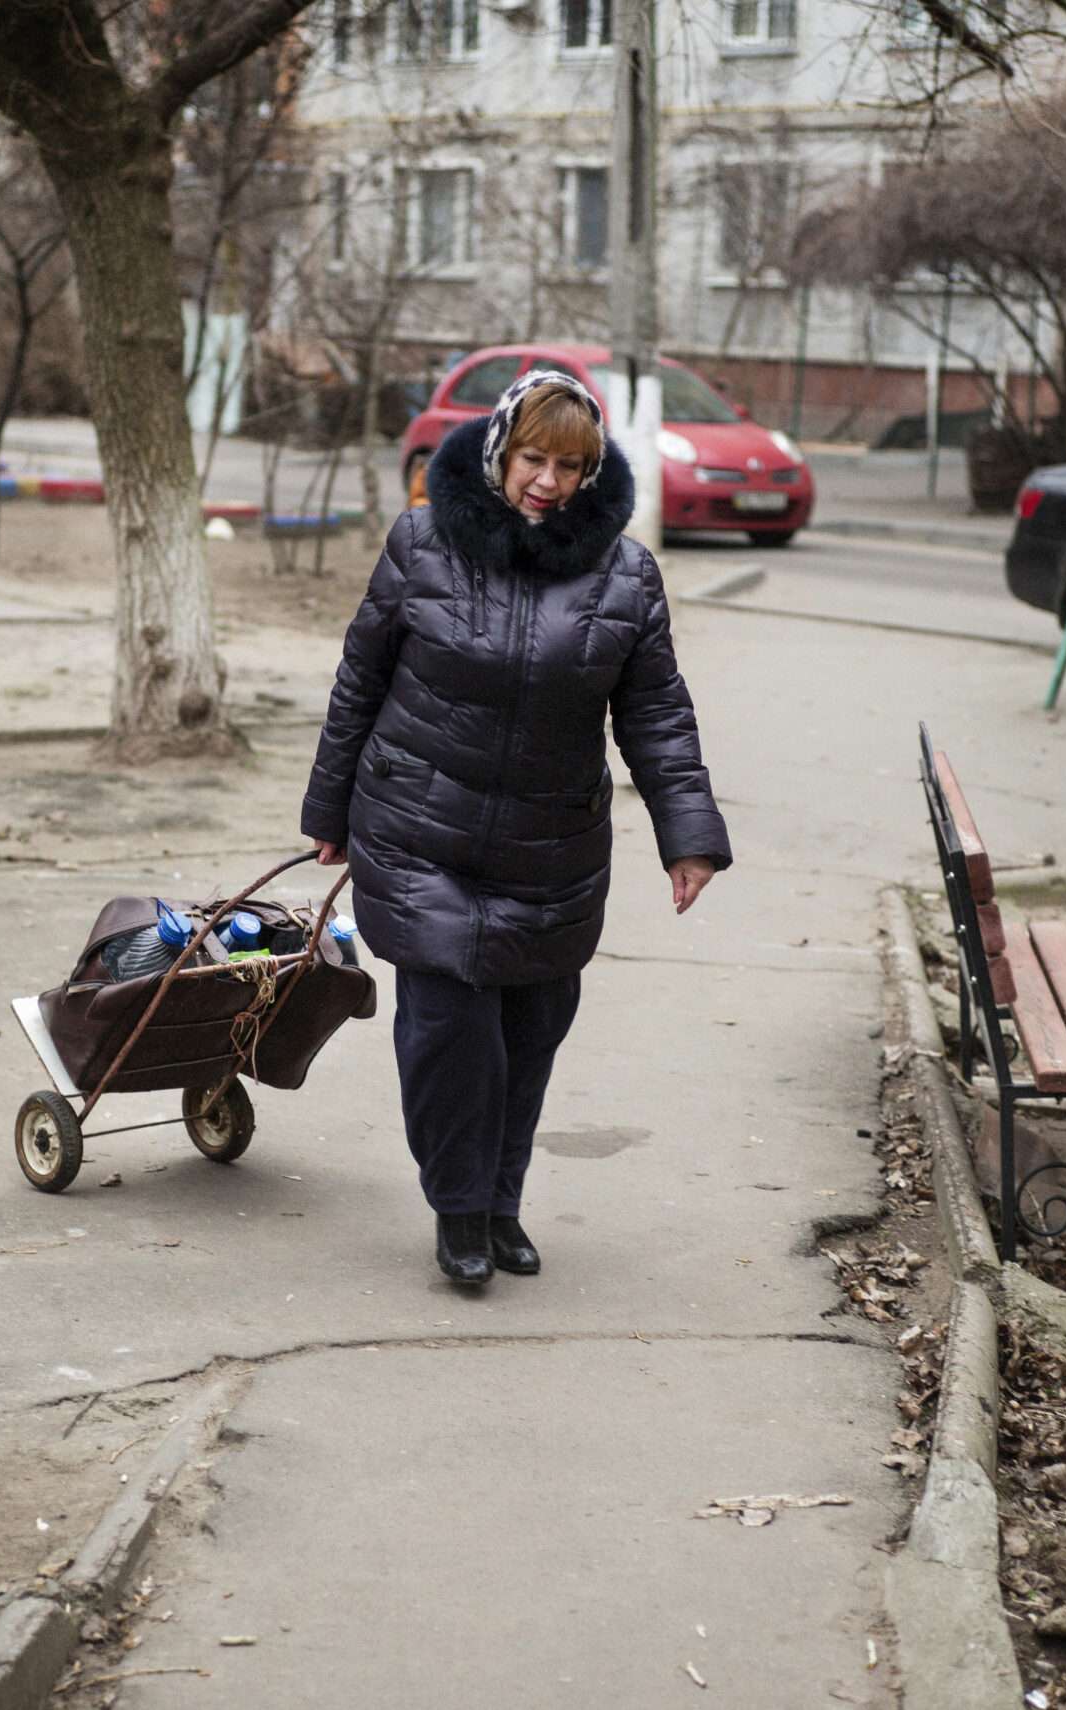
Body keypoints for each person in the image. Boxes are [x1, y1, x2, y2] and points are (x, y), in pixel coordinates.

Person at [301, 370, 732, 1286]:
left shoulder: (626, 573)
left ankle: (501, 1201)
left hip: (551, 848)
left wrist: (688, 835)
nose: (549, 481)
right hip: (420, 826)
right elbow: (360, 680)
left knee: (531, 1032)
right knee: (449, 1031)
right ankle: (459, 1209)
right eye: (534, 458)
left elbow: (656, 713)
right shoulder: (422, 542)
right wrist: (329, 810)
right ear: (501, 451)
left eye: (571, 465)